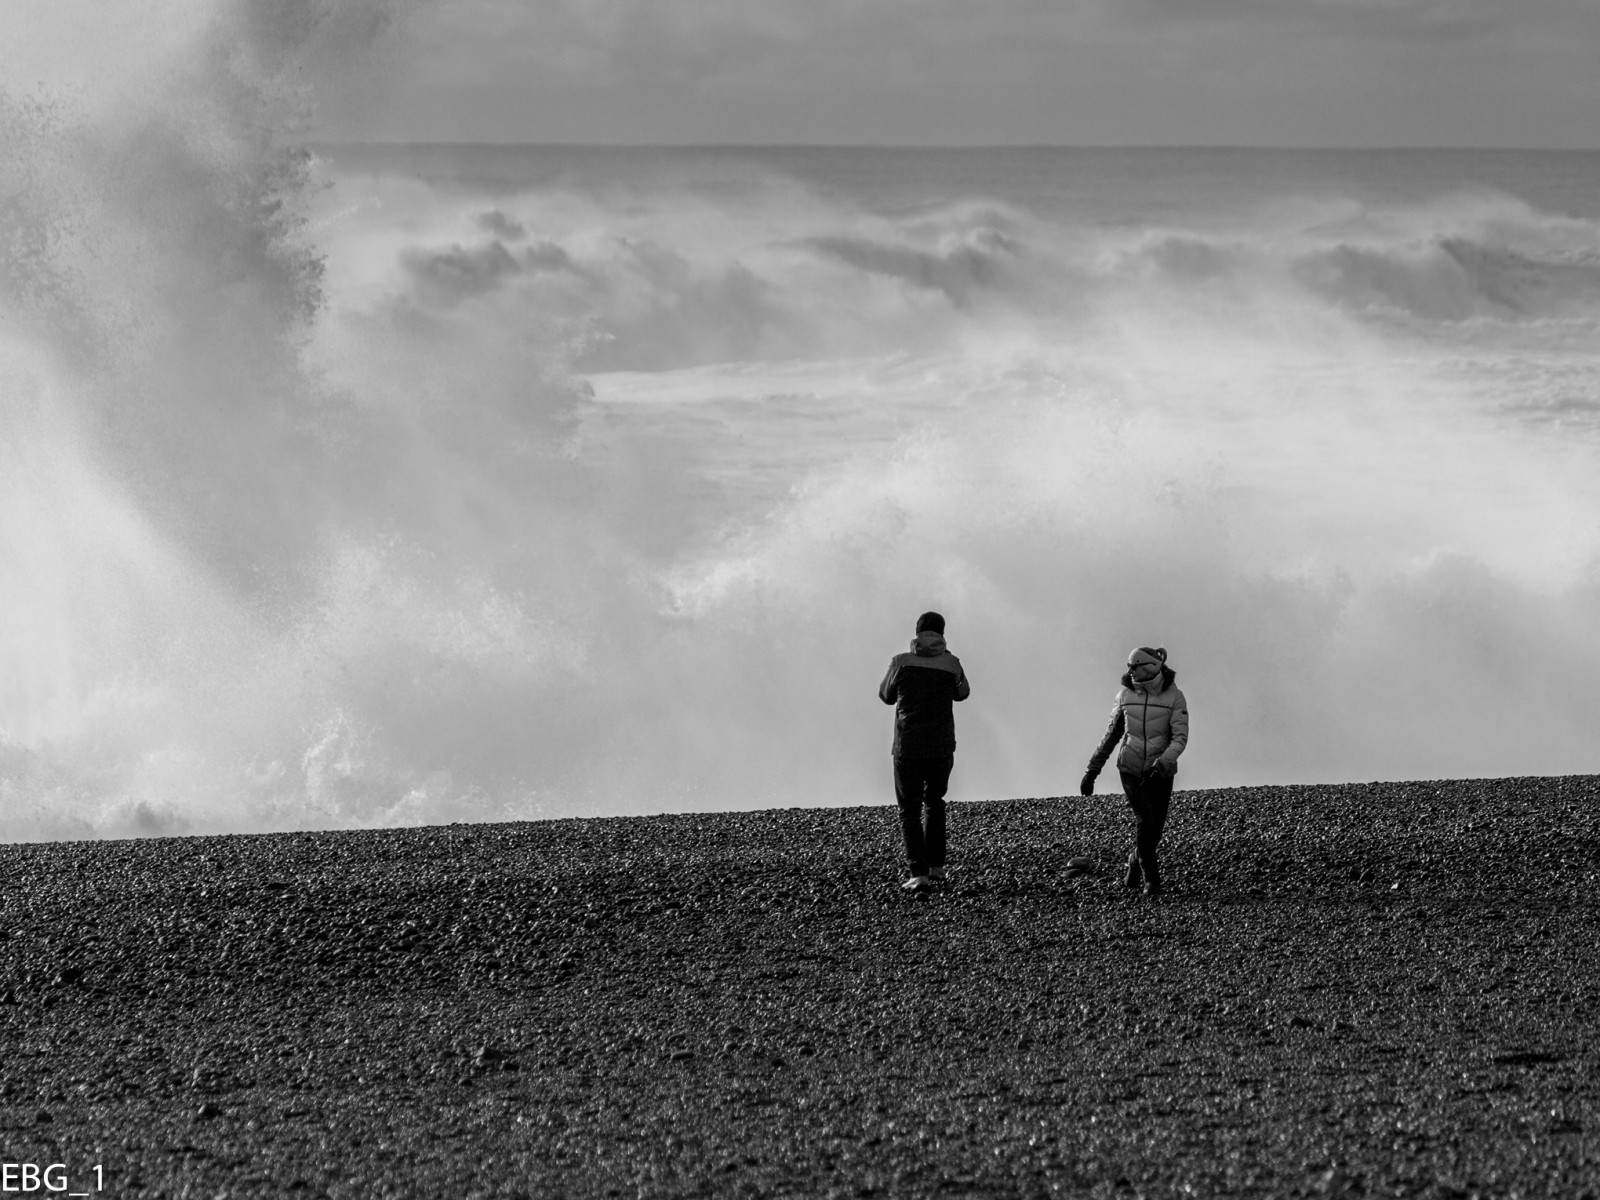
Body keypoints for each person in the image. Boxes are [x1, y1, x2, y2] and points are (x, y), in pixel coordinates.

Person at [1080, 647, 1188, 897]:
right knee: (1146, 822)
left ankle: (1134, 860)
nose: (1130, 671)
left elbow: (1180, 739)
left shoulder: (1175, 697)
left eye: (1135, 666)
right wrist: (1092, 771)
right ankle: (1152, 880)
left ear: (1150, 667)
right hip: (1130, 768)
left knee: (1155, 832)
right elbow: (1112, 735)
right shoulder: (1125, 695)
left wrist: (1160, 765)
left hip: (1161, 772)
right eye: (1129, 666)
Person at [879, 611, 970, 891]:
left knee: (909, 810)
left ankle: (918, 874)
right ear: (942, 634)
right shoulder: (952, 663)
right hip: (941, 744)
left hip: (908, 745)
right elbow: (963, 693)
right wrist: (947, 662)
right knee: (934, 802)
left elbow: (886, 696)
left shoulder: (900, 662)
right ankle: (937, 868)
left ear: (917, 633)